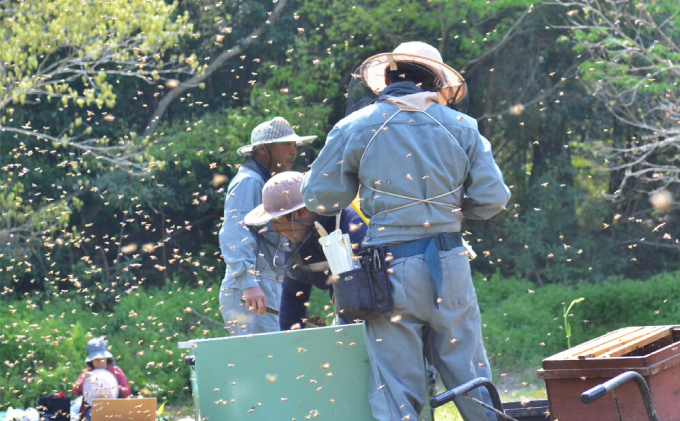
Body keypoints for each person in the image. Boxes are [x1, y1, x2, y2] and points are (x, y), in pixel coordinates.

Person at [301, 41, 511, 421]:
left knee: (397, 389)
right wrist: (449, 210)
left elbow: (319, 197)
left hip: (390, 269)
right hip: (450, 262)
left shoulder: (355, 126)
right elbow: (492, 198)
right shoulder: (463, 126)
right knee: (472, 377)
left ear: (388, 78)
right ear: (434, 80)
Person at [218, 117, 316, 336]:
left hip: (268, 284)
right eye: (286, 144)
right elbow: (235, 233)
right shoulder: (249, 180)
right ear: (263, 149)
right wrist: (248, 283)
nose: (293, 150)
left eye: (295, 145)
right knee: (263, 364)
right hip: (251, 288)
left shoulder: (265, 182)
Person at [243, 171, 366, 330]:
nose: (275, 229)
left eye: (277, 220)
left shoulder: (352, 227)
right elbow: (293, 299)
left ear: (299, 213)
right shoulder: (299, 240)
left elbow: (382, 288)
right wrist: (291, 345)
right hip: (351, 310)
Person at [72, 338, 131, 420]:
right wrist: (83, 380)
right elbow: (75, 391)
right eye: (96, 359)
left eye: (102, 358)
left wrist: (112, 387)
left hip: (114, 408)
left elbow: (127, 391)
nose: (99, 361)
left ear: (107, 358)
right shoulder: (87, 372)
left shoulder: (115, 371)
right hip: (91, 409)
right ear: (91, 360)